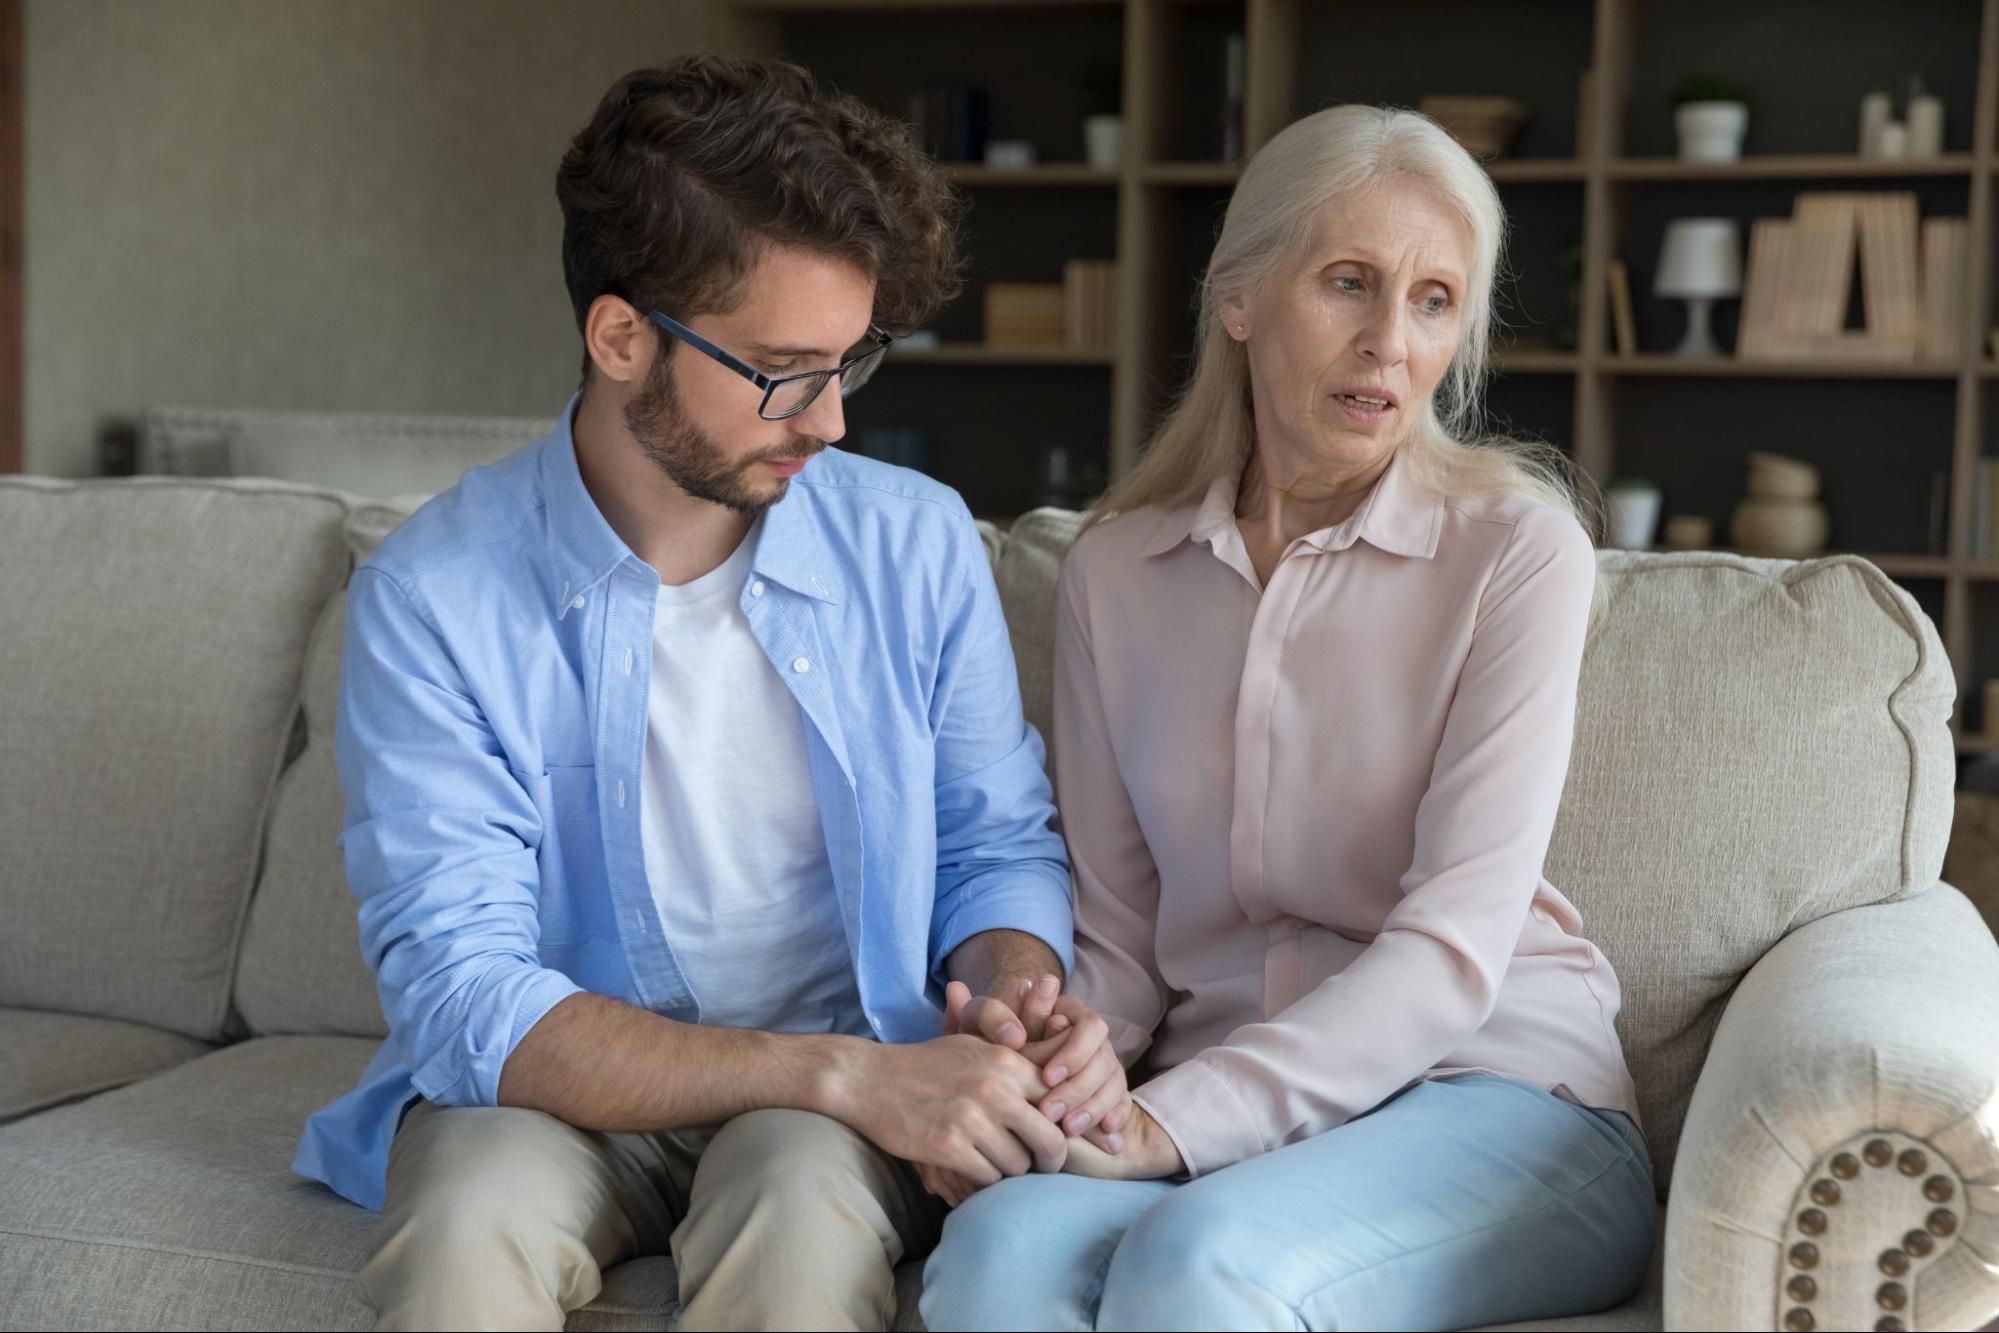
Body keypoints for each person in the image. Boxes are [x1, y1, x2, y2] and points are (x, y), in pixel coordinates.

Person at [293, 54, 1125, 1331]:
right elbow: (468, 997)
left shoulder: (914, 546)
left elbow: (991, 844)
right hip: (561, 1099)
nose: (834, 421)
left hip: (831, 1107)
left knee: (795, 1224)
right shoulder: (433, 597)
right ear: (621, 336)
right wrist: (850, 1076)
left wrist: (1013, 989)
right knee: (462, 1233)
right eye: (786, 371)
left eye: (853, 361)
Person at [922, 103, 1655, 1332]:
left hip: (1502, 1097)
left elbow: (1450, 953)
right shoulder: (1116, 573)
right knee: (994, 1252)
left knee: (1198, 1263)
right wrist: (1050, 1069)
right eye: (1349, 284)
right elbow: (1118, 935)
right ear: (1238, 298)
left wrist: (1166, 1122)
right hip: (1227, 1113)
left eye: (1432, 301)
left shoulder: (1515, 554)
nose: (1388, 344)